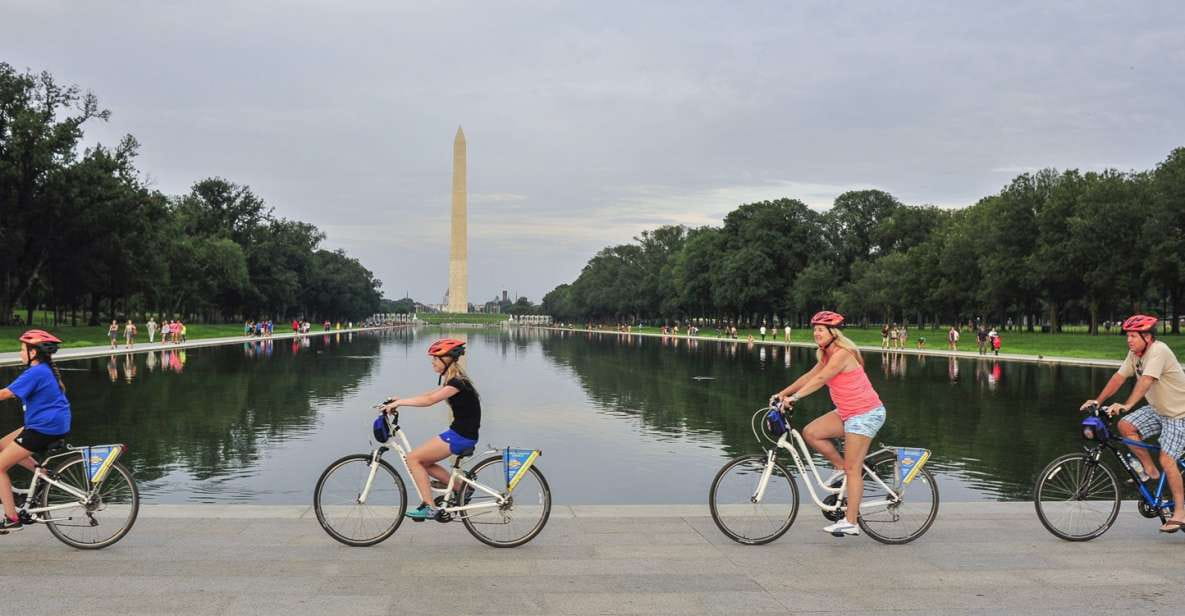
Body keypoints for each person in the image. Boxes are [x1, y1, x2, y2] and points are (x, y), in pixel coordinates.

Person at [774, 311, 887, 537]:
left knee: (853, 468)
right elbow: (809, 376)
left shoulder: (843, 354)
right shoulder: (826, 355)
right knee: (812, 432)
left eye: (821, 330)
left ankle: (851, 522)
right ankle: (839, 467)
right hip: (846, 412)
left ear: (833, 333)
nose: (816, 333)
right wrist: (781, 394)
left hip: (865, 414)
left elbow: (821, 380)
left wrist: (795, 399)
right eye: (815, 329)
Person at [1081, 314, 1185, 533]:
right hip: (1159, 410)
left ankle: (1180, 513)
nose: (1129, 340)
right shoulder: (1134, 354)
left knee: (1167, 459)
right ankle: (1150, 470)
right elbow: (1119, 378)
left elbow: (1146, 381)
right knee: (1125, 426)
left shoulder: (1159, 351)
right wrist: (1098, 401)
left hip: (1180, 414)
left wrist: (1127, 405)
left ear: (1147, 337)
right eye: (1127, 335)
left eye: (1133, 336)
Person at [382, 339, 481, 521]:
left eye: (436, 358)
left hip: (461, 436)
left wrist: (400, 403)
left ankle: (429, 507)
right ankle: (461, 488)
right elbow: (429, 395)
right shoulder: (453, 380)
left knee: (413, 458)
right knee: (422, 461)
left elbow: (429, 401)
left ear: (447, 360)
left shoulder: (457, 382)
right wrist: (400, 400)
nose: (433, 362)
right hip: (459, 432)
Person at [0, 330, 72, 532]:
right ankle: (43, 474)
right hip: (48, 424)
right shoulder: (43, 370)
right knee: (2, 445)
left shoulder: (36, 372)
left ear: (34, 353)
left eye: (23, 349)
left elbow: (6, 393)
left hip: (44, 427)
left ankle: (12, 518)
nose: (20, 353)